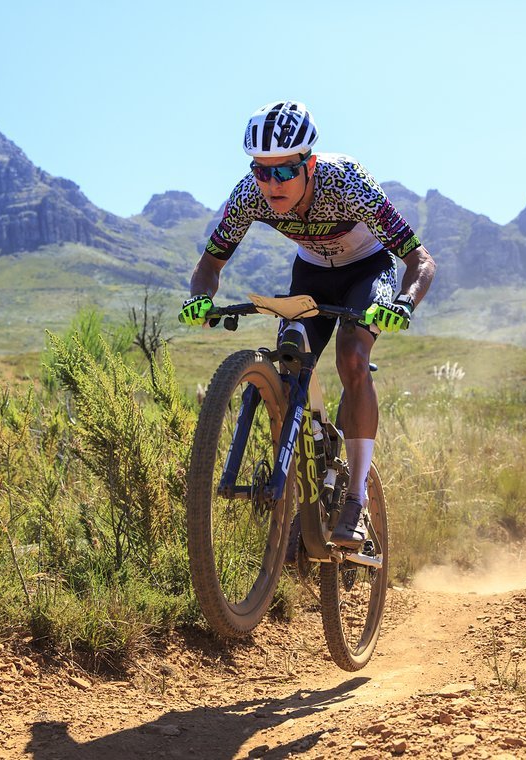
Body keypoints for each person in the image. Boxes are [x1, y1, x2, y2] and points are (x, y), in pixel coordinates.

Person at [178, 100, 437, 550]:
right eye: (262, 171)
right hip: (312, 274)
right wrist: (200, 299)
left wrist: (404, 303)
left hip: (366, 269)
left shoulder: (348, 181)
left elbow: (420, 260)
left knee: (351, 358)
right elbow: (209, 265)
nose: (270, 183)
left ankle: (355, 499)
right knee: (288, 368)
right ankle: (302, 498)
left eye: (283, 172)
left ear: (310, 164)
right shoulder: (249, 196)